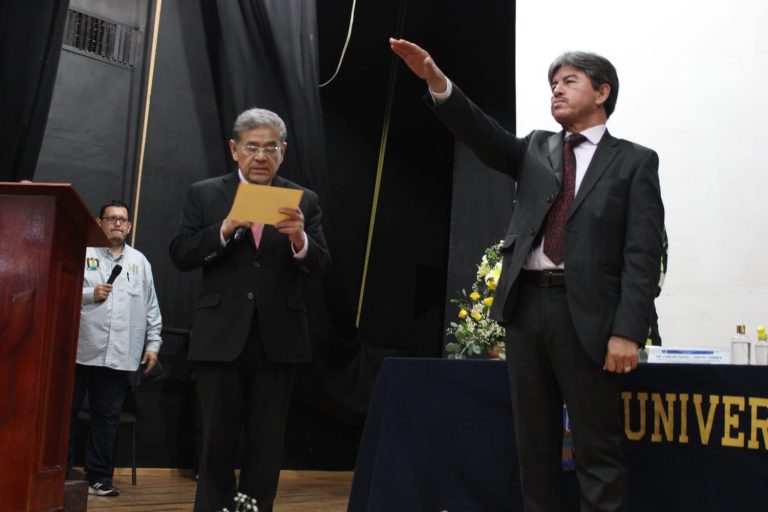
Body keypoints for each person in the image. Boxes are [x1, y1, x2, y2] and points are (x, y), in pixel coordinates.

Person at [390, 39, 664, 511]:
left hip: (591, 319)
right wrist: (437, 81)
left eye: (569, 81)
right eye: (552, 84)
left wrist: (627, 332)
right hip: (527, 311)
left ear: (602, 92)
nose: (556, 90)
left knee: (597, 451)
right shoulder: (536, 148)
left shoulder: (635, 161)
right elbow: (483, 135)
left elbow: (643, 253)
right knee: (533, 449)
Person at [169, 107, 331, 512]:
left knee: (267, 442)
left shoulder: (303, 201)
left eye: (270, 147)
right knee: (216, 440)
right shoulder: (205, 194)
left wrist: (300, 242)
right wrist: (224, 228)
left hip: (279, 338)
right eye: (252, 147)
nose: (261, 156)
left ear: (283, 152)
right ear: (235, 150)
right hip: (220, 335)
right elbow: (181, 254)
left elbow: (321, 264)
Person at [67, 199, 163, 496]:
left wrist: (154, 344)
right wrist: (88, 294)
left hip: (120, 355)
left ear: (130, 226)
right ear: (99, 223)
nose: (118, 223)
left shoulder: (140, 262)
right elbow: (62, 293)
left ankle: (98, 478)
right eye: (111, 219)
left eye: (123, 219)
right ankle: (60, 472)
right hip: (81, 350)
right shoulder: (82, 254)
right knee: (65, 414)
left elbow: (151, 307)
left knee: (106, 418)